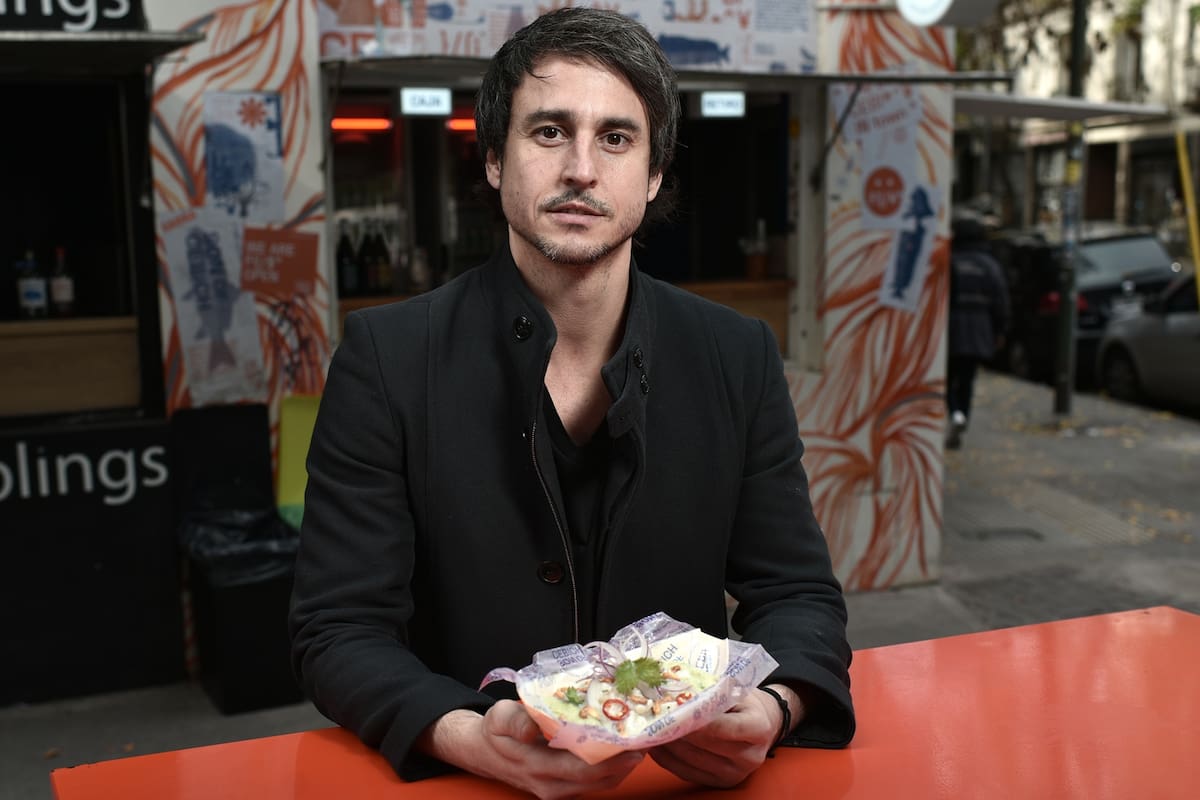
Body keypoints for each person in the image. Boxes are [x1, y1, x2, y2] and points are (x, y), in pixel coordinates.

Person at [289, 8, 855, 798]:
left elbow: (796, 593)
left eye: (616, 138)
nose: (582, 168)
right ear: (494, 159)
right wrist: (468, 737)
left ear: (654, 175)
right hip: (474, 782)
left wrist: (777, 706)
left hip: (673, 785)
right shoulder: (387, 359)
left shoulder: (736, 355)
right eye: (549, 132)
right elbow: (338, 629)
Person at [946, 213, 1010, 450]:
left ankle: (954, 413)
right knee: (967, 379)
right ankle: (962, 416)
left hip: (951, 329)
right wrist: (1000, 329)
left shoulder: (950, 260)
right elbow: (1000, 300)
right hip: (978, 330)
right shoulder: (989, 265)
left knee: (947, 378)